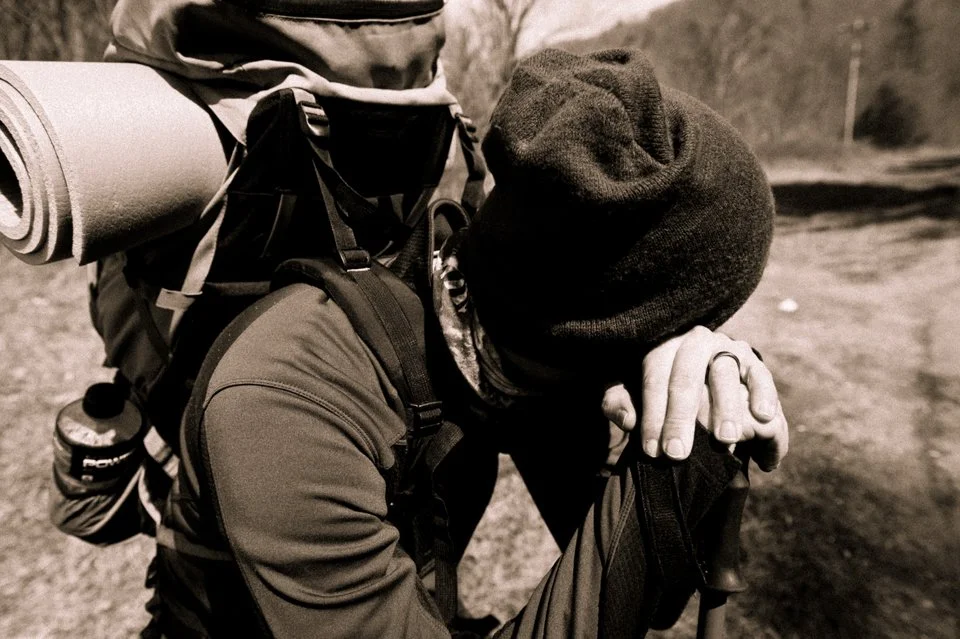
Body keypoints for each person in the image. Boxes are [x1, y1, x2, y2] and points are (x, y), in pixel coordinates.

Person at [150, 48, 786, 638]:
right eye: (680, 327)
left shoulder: (513, 349)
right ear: (607, 335)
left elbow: (650, 593)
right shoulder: (286, 397)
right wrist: (672, 460)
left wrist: (696, 394)